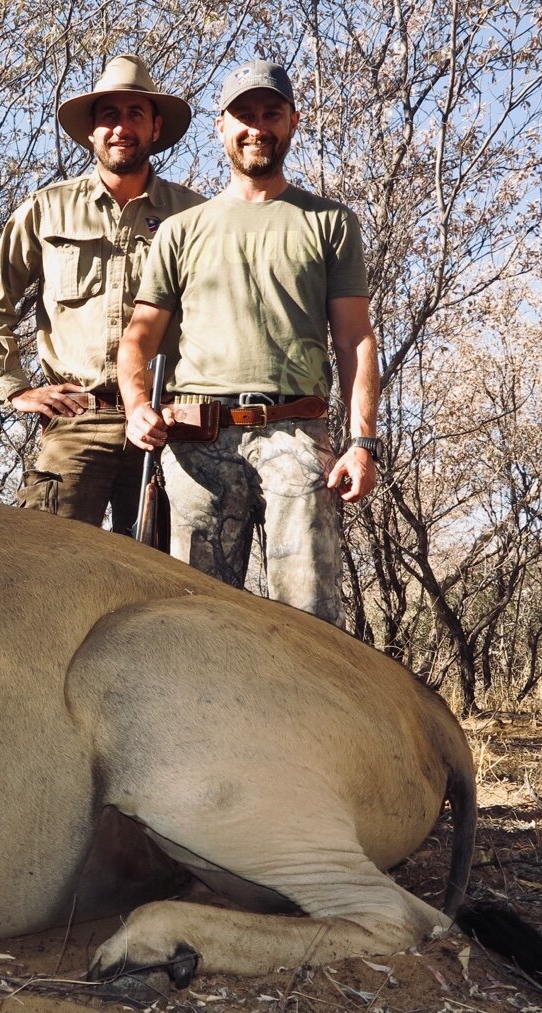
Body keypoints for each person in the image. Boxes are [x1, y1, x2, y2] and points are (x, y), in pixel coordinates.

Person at [117, 60, 380, 625]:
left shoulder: (330, 221)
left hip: (296, 434)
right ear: (220, 127)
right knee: (197, 623)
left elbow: (355, 339)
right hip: (196, 446)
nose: (256, 127)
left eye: (270, 113)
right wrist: (138, 408)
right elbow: (138, 338)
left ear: (292, 123)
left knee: (308, 623)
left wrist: (362, 443)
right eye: (243, 114)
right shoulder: (181, 230)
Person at [0, 55, 203, 535]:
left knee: (164, 582)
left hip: (167, 424)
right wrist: (16, 388)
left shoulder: (195, 215)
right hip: (78, 420)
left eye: (136, 114)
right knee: (48, 570)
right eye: (109, 116)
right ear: (91, 131)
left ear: (156, 127)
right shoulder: (46, 209)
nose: (122, 128)